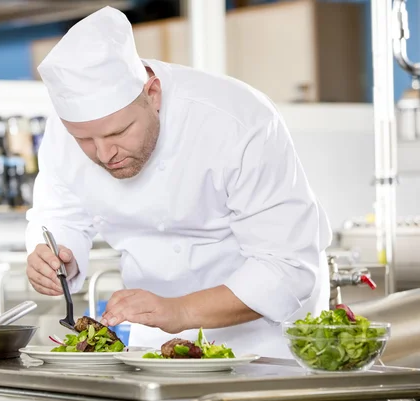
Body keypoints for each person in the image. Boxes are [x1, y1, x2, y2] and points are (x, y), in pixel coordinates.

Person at [24, 6, 332, 358]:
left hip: (265, 340)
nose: (104, 153)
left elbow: (287, 268)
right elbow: (60, 216)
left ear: (152, 94)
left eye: (119, 132)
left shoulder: (237, 120)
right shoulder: (65, 132)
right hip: (156, 338)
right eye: (85, 140)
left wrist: (181, 311)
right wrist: (57, 260)